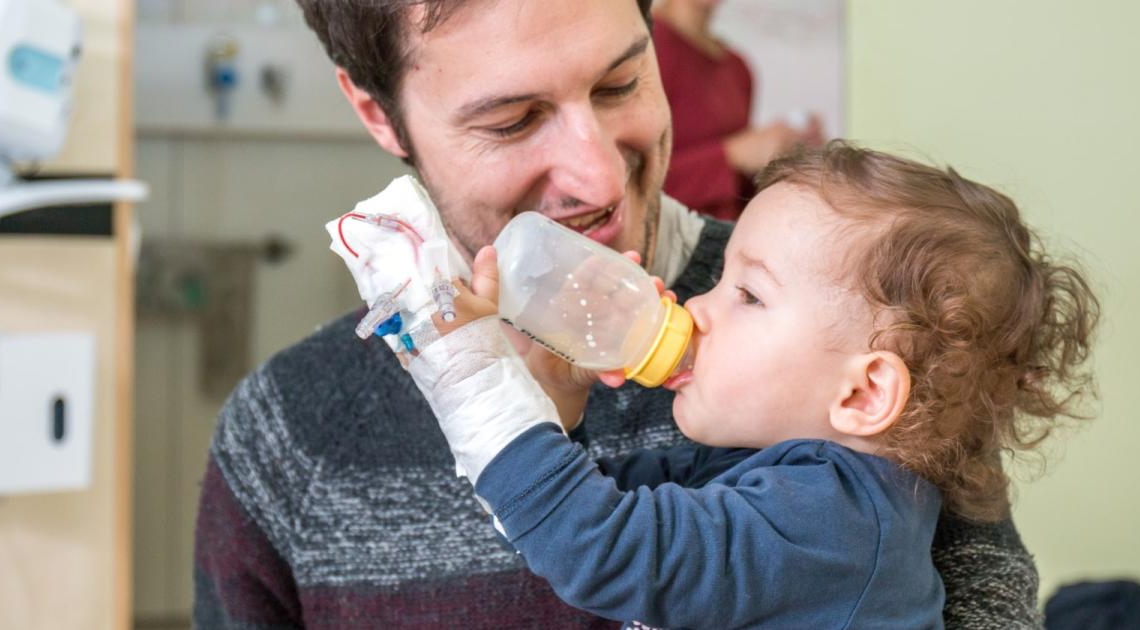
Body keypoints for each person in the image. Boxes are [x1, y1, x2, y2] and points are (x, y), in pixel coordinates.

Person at [193, 1, 1047, 627]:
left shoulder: (885, 345)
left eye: (621, 83)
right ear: (378, 112)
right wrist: (546, 426)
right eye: (514, 118)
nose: (599, 179)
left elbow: (614, 544)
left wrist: (475, 387)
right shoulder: (288, 437)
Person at [398, 141, 1100, 629]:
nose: (698, 305)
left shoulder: (836, 525)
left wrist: (476, 381)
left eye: (749, 295)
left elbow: (600, 547)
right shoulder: (772, 471)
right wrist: (559, 404)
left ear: (862, 395)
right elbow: (574, 513)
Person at [652, 0, 824, 221]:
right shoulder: (646, 50)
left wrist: (784, 157)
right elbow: (634, 186)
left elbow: (739, 191)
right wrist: (733, 155)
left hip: (722, 238)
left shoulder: (737, 67)